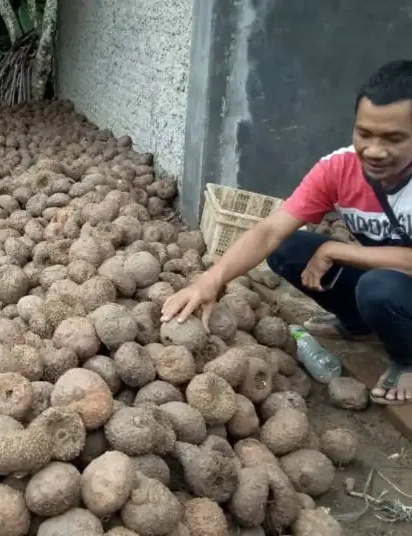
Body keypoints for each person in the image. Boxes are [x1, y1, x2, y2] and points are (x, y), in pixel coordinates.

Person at [162, 59, 412, 406]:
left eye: (393, 138)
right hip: (389, 280)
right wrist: (211, 279)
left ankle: (407, 359)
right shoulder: (339, 168)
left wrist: (336, 251)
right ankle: (359, 323)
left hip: (397, 284)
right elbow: (269, 231)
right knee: (289, 249)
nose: (374, 150)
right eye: (364, 133)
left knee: (378, 287)